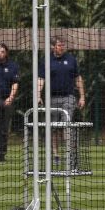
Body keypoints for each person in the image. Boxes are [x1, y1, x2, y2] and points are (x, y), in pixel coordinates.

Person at [36, 36, 86, 166]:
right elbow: (41, 79)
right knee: (54, 128)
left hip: (68, 97)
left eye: (63, 45)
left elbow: (78, 78)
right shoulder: (46, 60)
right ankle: (56, 154)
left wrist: (82, 96)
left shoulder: (71, 60)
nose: (62, 47)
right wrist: (38, 95)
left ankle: (71, 155)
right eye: (59, 45)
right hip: (51, 98)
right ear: (53, 46)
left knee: (66, 124)